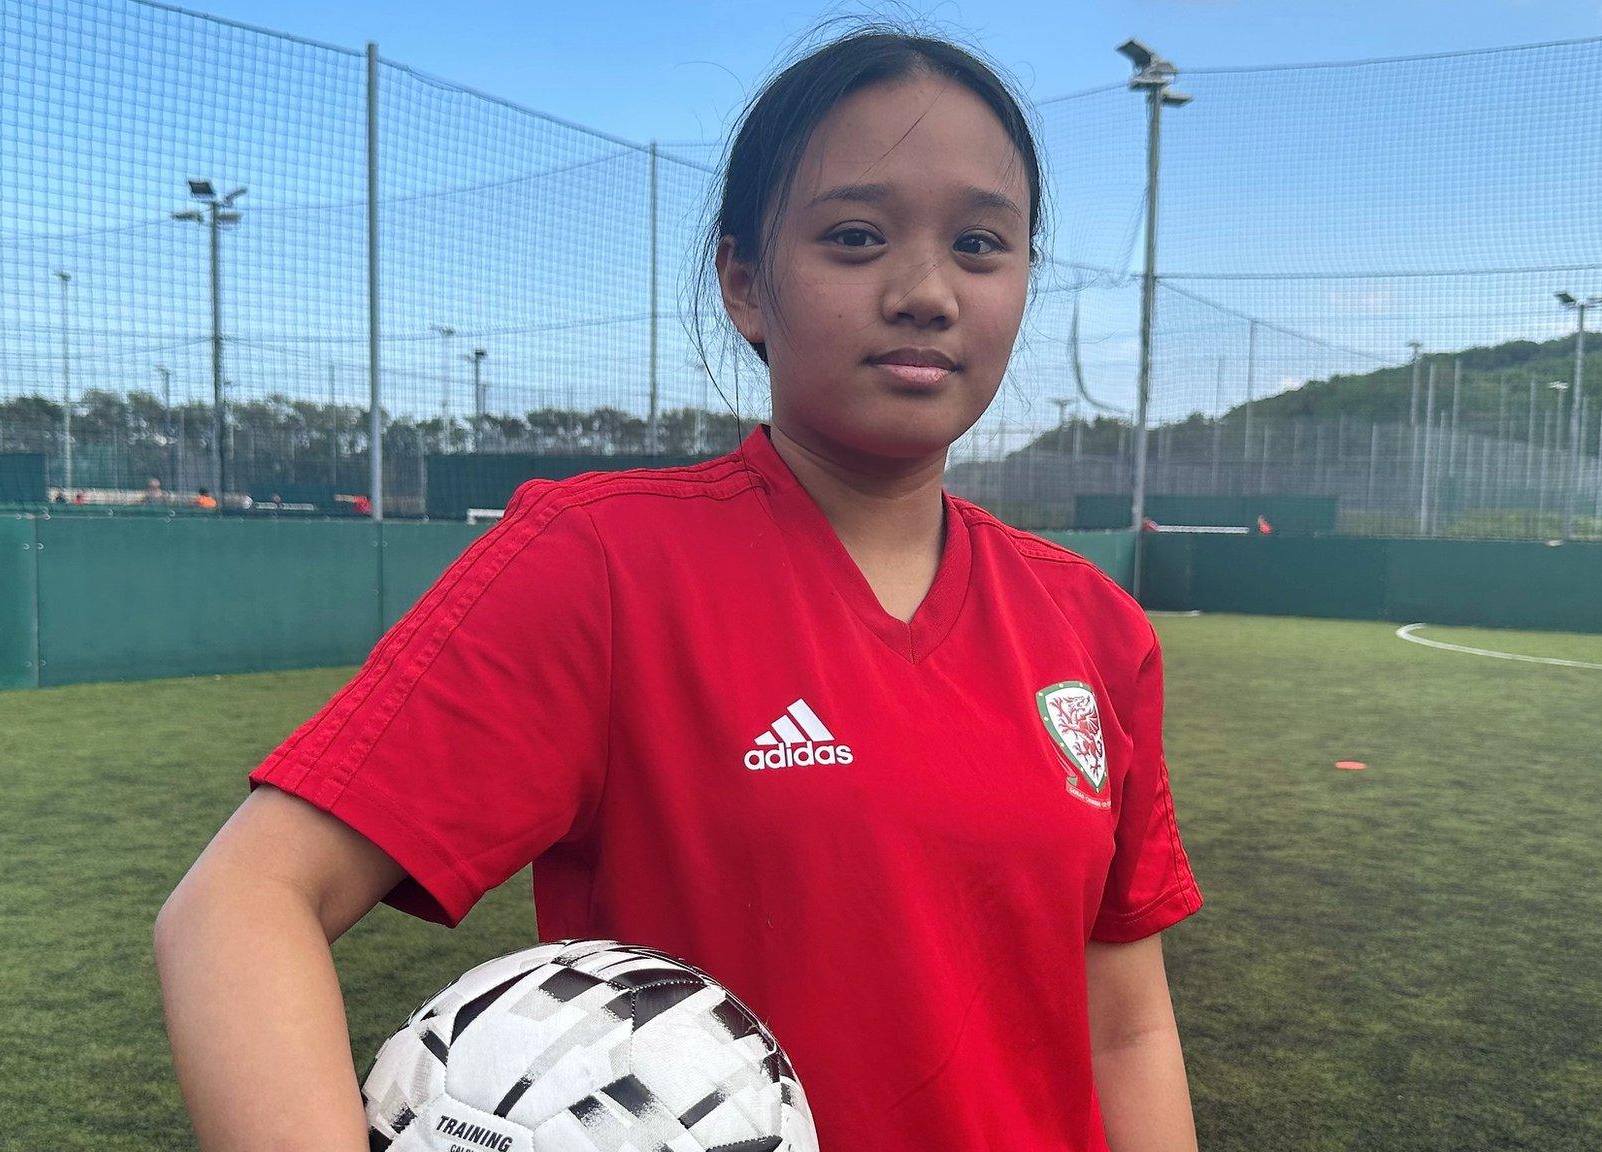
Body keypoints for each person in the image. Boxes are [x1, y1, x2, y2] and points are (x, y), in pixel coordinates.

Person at [155, 28, 1203, 1152]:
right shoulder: (599, 565)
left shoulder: (1090, 626)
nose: (924, 291)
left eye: (980, 245)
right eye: (855, 238)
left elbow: (1122, 1028)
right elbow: (237, 905)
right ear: (745, 284)